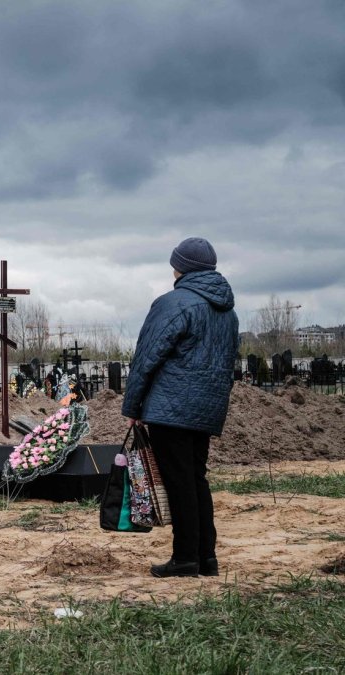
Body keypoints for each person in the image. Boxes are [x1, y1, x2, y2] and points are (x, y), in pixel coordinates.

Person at [122, 237, 239, 578]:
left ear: (179, 267)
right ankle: (206, 558)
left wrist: (133, 405)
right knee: (195, 479)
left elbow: (147, 356)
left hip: (170, 407)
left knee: (179, 482)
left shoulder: (173, 303)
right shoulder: (227, 312)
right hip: (206, 409)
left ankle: (185, 557)